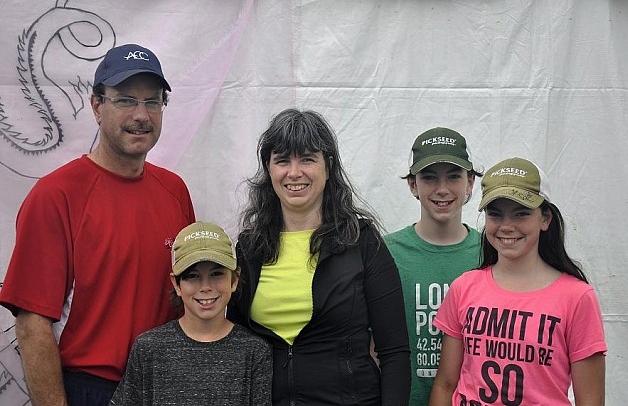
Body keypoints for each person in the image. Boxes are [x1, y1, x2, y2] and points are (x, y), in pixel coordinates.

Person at [0, 44, 196, 406]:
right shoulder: (55, 196)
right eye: (125, 100)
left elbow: (189, 299)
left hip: (168, 385)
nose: (141, 114)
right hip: (93, 390)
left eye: (152, 101)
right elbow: (32, 327)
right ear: (96, 106)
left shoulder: (175, 191)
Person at [226, 108, 411, 405]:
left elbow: (395, 353)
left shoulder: (361, 240)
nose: (294, 172)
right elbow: (234, 345)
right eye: (282, 160)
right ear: (269, 168)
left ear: (328, 166)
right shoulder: (250, 248)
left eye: (308, 159)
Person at [429, 157, 607, 406]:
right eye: (495, 214)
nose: (506, 226)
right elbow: (445, 385)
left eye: (521, 214)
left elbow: (590, 400)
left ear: (545, 219)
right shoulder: (464, 287)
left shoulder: (577, 297)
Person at [110, 221, 272, 405]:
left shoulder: (254, 351)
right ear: (176, 284)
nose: (205, 287)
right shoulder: (148, 349)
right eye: (192, 276)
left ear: (234, 279)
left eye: (216, 274)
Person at [384, 127, 483, 405]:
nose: (442, 189)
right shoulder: (385, 253)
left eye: (453, 176)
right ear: (413, 185)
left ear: (470, 183)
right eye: (429, 178)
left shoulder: (491, 254)